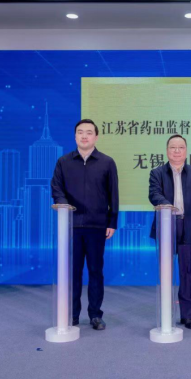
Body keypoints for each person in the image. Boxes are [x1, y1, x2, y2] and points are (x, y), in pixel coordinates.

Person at [51, 119, 119, 330]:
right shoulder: (64, 162)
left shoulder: (107, 162)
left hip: (97, 226)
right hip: (71, 226)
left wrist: (112, 222)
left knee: (95, 271)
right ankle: (72, 315)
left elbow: (113, 195)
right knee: (73, 272)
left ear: (96, 137)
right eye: (80, 132)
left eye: (89, 132)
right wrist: (64, 205)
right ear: (75, 136)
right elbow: (56, 188)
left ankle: (95, 315)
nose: (84, 136)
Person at [148, 134, 191, 329]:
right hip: (166, 226)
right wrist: (169, 207)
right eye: (172, 147)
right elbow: (154, 195)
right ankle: (166, 313)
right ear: (167, 151)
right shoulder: (157, 173)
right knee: (166, 272)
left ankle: (187, 316)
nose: (176, 151)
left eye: (180, 147)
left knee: (188, 273)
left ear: (186, 151)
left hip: (189, 227)